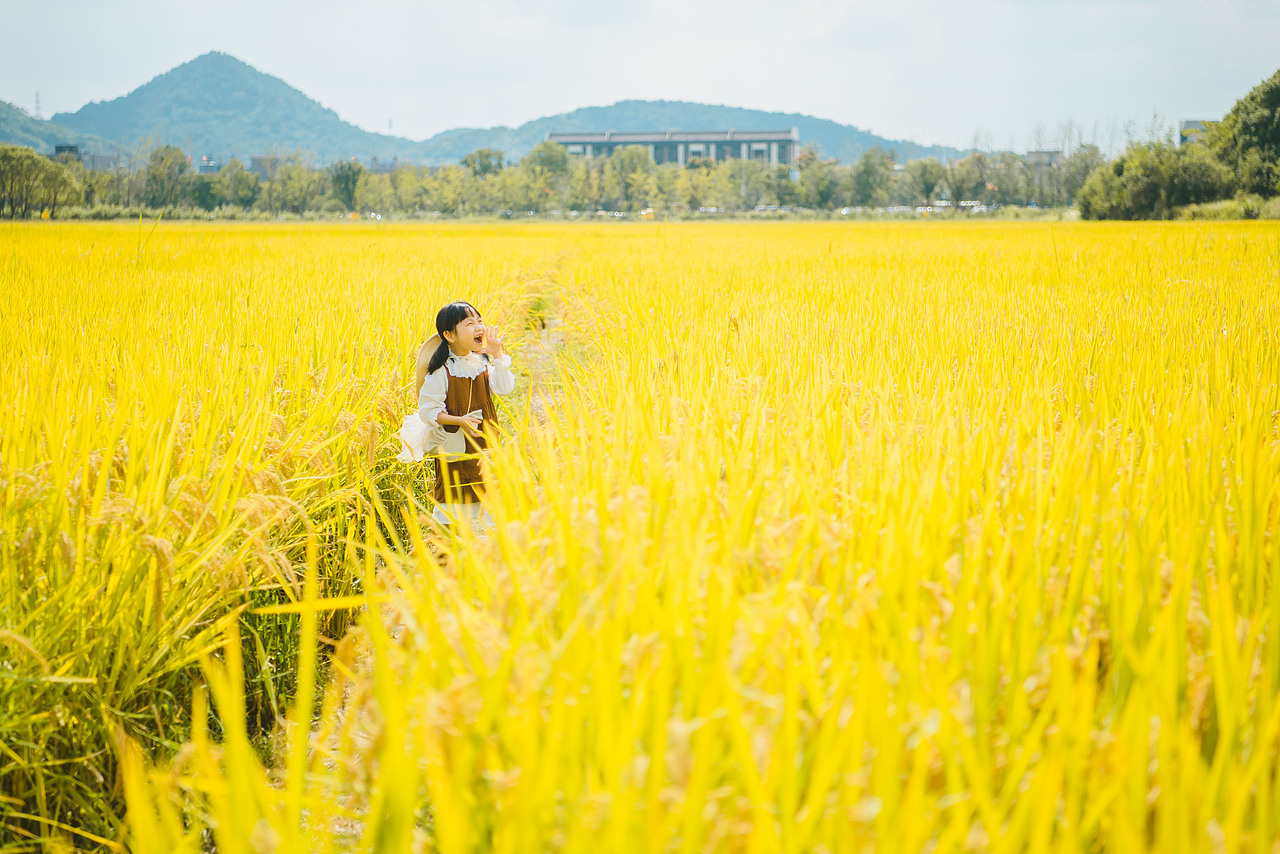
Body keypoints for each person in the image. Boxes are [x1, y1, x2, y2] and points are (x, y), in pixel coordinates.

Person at [397, 301, 514, 528]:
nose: (479, 327)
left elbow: (505, 387)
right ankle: (450, 553)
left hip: (485, 442)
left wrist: (498, 354)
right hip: (456, 446)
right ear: (450, 335)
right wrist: (459, 420)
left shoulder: (482, 364)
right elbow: (429, 411)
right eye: (469, 323)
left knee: (487, 496)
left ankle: (483, 551)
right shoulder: (442, 371)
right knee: (454, 500)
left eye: (480, 321)